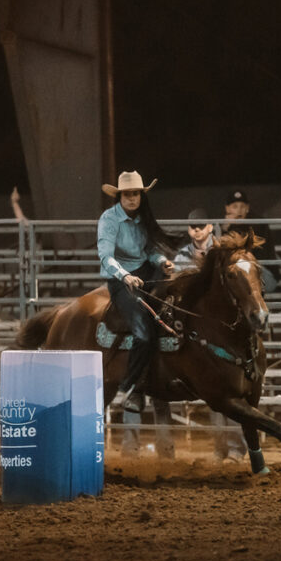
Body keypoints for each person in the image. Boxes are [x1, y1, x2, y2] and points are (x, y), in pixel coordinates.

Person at [98, 171, 176, 414]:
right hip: (120, 278)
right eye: (128, 194)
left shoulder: (144, 218)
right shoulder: (109, 219)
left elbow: (149, 250)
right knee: (143, 333)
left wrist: (162, 260)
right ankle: (128, 387)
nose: (132, 198)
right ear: (120, 196)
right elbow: (105, 256)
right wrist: (125, 276)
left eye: (136, 194)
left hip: (147, 271)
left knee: (172, 312)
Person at [172, 207, 246, 462]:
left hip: (222, 328)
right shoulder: (183, 256)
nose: (196, 230)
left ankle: (234, 448)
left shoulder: (222, 254)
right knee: (216, 391)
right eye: (192, 226)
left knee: (227, 388)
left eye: (200, 226)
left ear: (209, 228)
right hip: (201, 329)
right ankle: (222, 448)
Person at [223, 189, 280, 293]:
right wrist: (225, 230)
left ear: (247, 208)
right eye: (235, 207)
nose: (239, 210)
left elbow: (248, 255)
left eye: (242, 206)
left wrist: (232, 228)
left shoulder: (258, 224)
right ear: (227, 209)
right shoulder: (222, 227)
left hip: (264, 275)